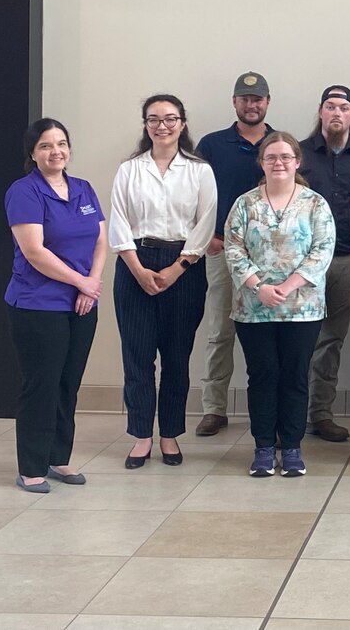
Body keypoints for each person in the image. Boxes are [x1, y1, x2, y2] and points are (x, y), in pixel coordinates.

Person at [109, 94, 217, 469]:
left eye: (170, 119)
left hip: (183, 267)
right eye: (154, 119)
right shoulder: (130, 169)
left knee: (176, 357)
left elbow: (205, 225)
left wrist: (177, 267)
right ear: (145, 125)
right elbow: (119, 222)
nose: (162, 126)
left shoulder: (200, 170)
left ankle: (169, 434)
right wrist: (138, 269)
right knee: (137, 357)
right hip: (134, 263)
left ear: (182, 123)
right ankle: (141, 436)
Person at [4, 119, 107, 493]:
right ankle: (31, 466)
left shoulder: (83, 189)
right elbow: (34, 251)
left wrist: (90, 286)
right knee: (41, 384)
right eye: (46, 146)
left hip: (81, 303)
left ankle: (57, 458)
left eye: (61, 144)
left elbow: (100, 240)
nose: (55, 152)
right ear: (33, 153)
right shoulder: (24, 192)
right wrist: (81, 281)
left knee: (67, 384)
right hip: (38, 304)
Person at [225, 132, 335, 477]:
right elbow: (233, 249)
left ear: (297, 162)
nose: (279, 163)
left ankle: (290, 447)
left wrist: (286, 287)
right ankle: (262, 446)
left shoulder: (315, 204)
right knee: (262, 375)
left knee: (294, 377)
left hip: (302, 308)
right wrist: (260, 287)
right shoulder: (245, 204)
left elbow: (322, 251)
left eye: (286, 157)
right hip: (253, 308)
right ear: (261, 163)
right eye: (271, 157)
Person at [195, 71, 275, 437]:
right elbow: (194, 195)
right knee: (220, 332)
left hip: (273, 259)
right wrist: (207, 236)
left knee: (270, 335)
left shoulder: (279, 144)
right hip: (222, 252)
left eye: (257, 98)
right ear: (234, 102)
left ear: (267, 102)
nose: (251, 104)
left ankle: (272, 408)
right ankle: (214, 408)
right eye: (245, 98)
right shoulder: (212, 145)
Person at [299, 85, 350, 442]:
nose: (336, 113)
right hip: (301, 265)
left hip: (349, 261)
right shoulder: (298, 154)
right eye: (330, 106)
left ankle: (321, 414)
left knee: (330, 341)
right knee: (298, 340)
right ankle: (292, 415)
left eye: (343, 107)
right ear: (320, 112)